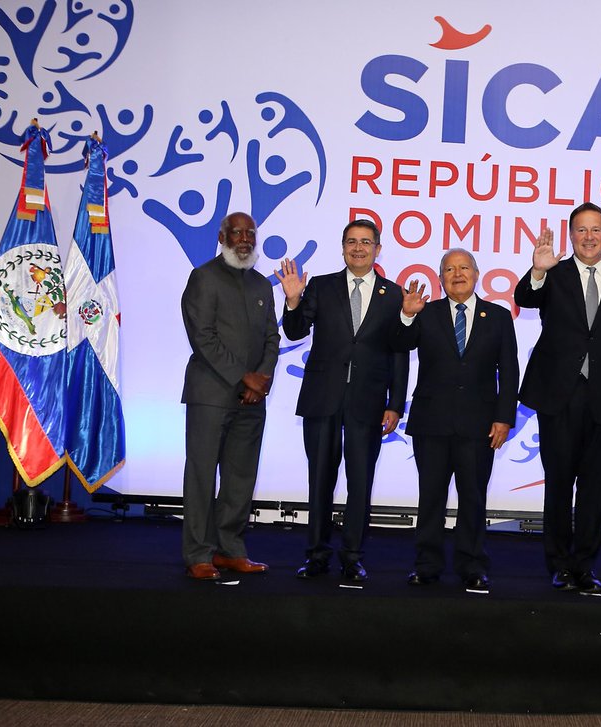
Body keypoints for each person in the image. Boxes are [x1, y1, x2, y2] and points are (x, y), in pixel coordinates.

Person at [514, 202, 601, 595]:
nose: (589, 237)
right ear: (571, 235)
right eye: (581, 230)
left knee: (594, 488)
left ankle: (585, 566)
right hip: (559, 396)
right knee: (558, 485)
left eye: (595, 229)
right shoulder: (553, 274)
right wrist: (538, 270)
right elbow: (525, 297)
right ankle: (559, 565)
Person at [276, 219, 408, 583]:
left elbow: (399, 353)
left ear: (378, 249)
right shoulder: (321, 286)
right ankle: (316, 555)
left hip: (369, 401)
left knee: (360, 482)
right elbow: (295, 331)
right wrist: (293, 300)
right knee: (319, 480)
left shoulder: (394, 295)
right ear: (343, 247)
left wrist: (396, 403)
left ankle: (352, 557)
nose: (358, 248)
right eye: (351, 241)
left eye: (366, 242)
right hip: (323, 397)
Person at [396, 249, 518, 594]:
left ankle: (472, 565)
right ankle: (426, 565)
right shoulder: (425, 312)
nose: (457, 274)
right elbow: (400, 344)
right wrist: (406, 316)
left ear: (477, 274)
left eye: (464, 267)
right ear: (440, 279)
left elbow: (509, 370)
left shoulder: (497, 316)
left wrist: (504, 417)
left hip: (480, 424)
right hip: (431, 422)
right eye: (449, 269)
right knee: (430, 498)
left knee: (473, 498)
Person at [180, 212, 278, 580]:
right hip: (211, 395)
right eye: (237, 233)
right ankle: (198, 554)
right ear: (222, 237)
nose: (245, 239)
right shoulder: (203, 277)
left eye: (250, 233)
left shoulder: (261, 285)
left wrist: (261, 380)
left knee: (241, 477)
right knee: (202, 476)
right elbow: (202, 337)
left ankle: (229, 550)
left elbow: (272, 338)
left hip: (252, 399)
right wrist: (243, 378)